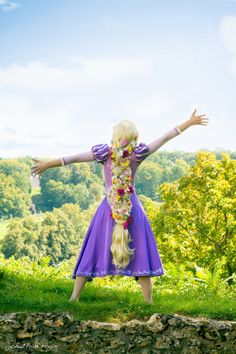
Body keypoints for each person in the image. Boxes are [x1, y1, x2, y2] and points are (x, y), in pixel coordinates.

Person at [31, 108, 209, 304]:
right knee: (139, 249)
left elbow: (71, 159)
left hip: (108, 208)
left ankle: (74, 298)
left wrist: (47, 165)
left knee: (94, 248)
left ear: (115, 136)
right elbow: (165, 137)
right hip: (132, 209)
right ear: (134, 136)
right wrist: (189, 122)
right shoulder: (137, 154)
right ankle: (148, 302)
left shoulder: (105, 154)